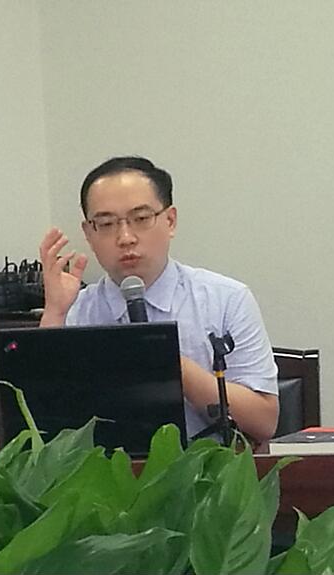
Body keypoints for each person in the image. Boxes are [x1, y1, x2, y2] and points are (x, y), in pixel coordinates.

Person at [39, 156, 278, 442]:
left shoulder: (226, 299)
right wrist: (54, 313)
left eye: (141, 219)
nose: (125, 237)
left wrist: (165, 359)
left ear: (170, 220)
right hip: (101, 468)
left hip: (204, 468)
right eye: (106, 223)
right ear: (89, 233)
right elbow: (39, 428)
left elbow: (264, 422)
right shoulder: (74, 310)